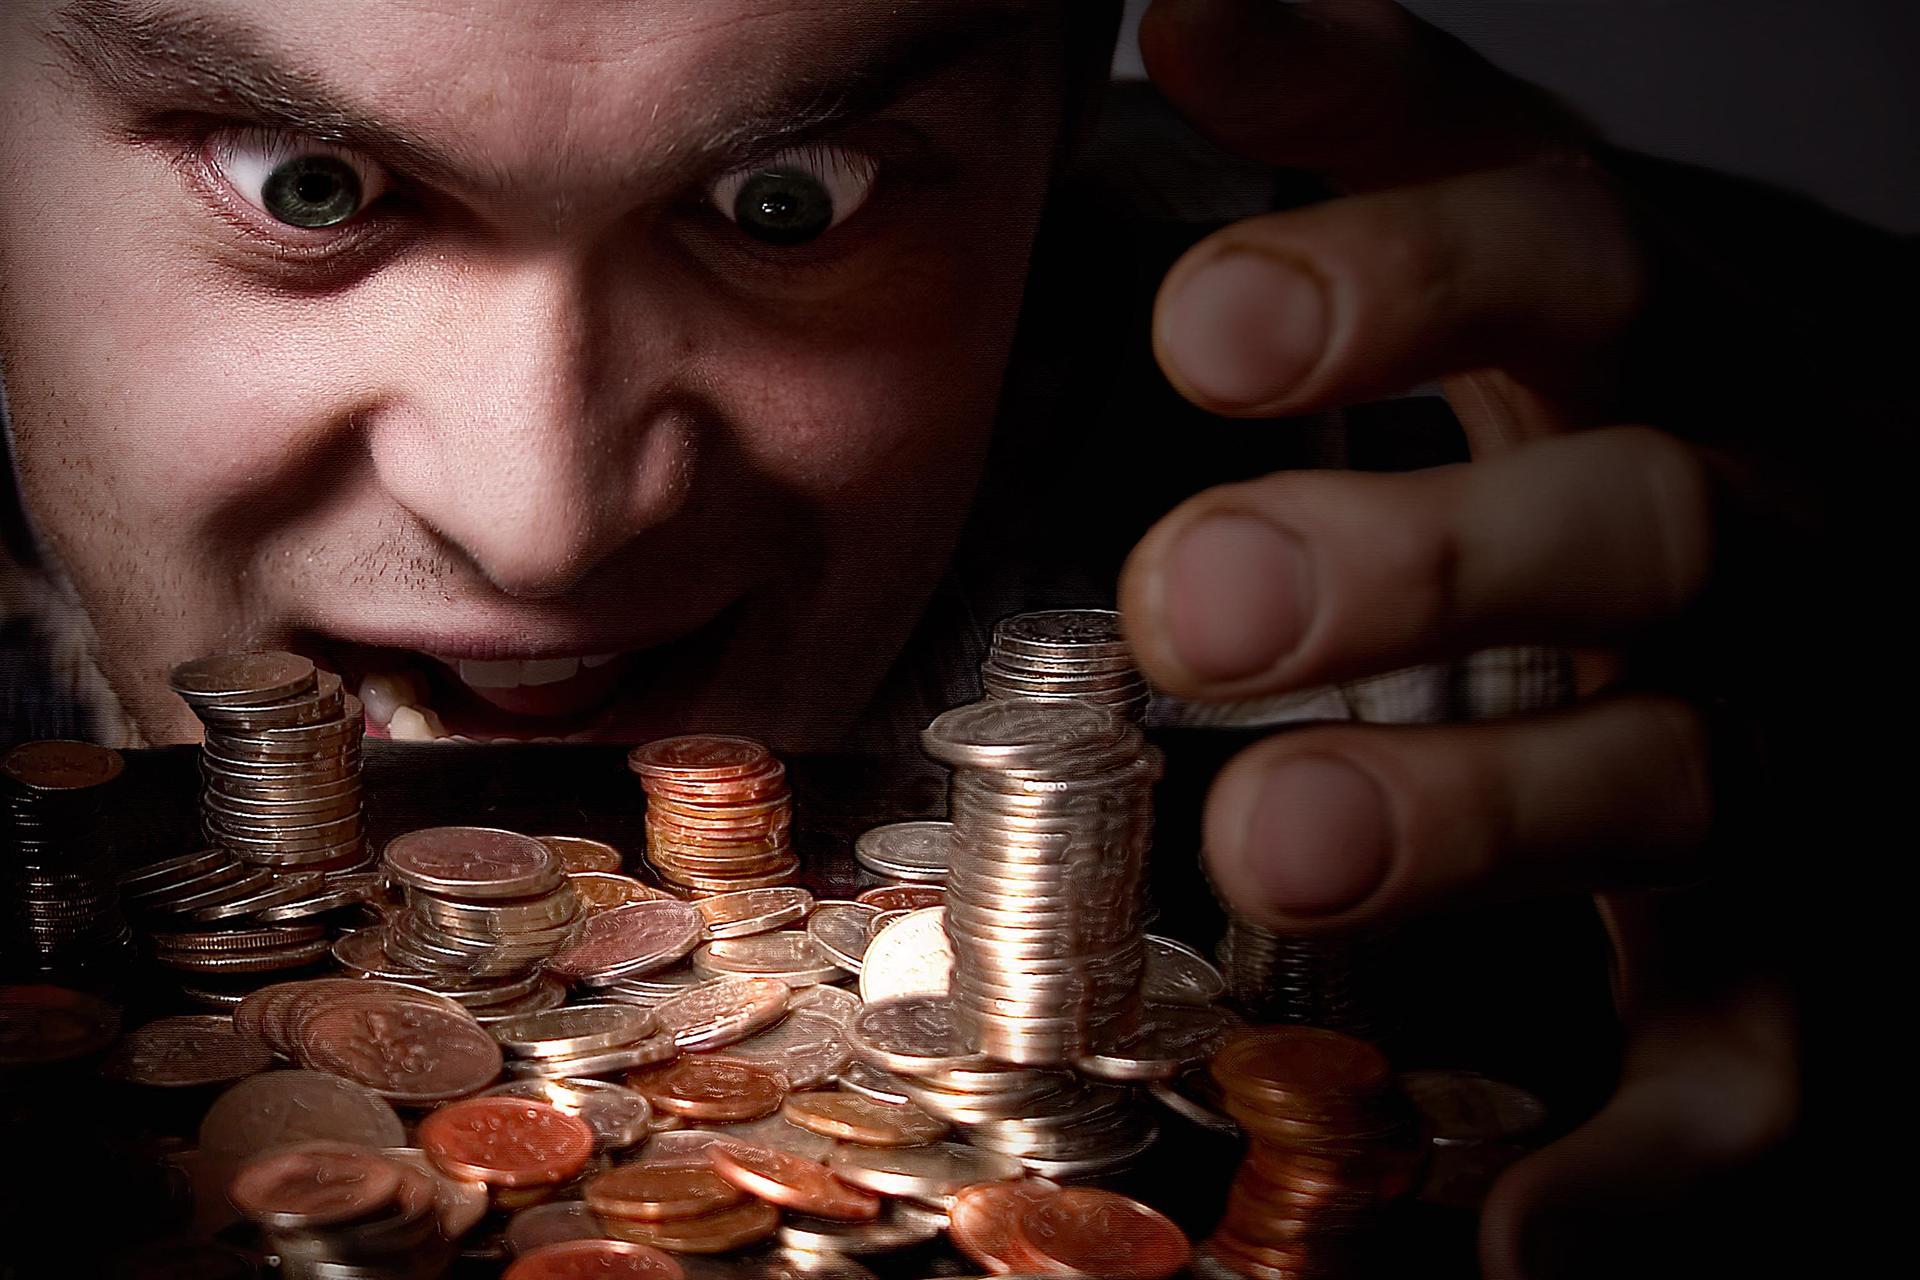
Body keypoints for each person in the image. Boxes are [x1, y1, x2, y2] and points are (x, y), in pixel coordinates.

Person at [2, 0, 1902, 1274]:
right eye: (305, 187)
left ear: (1061, 131)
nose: (547, 514)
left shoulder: (1503, 426)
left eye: (784, 200)